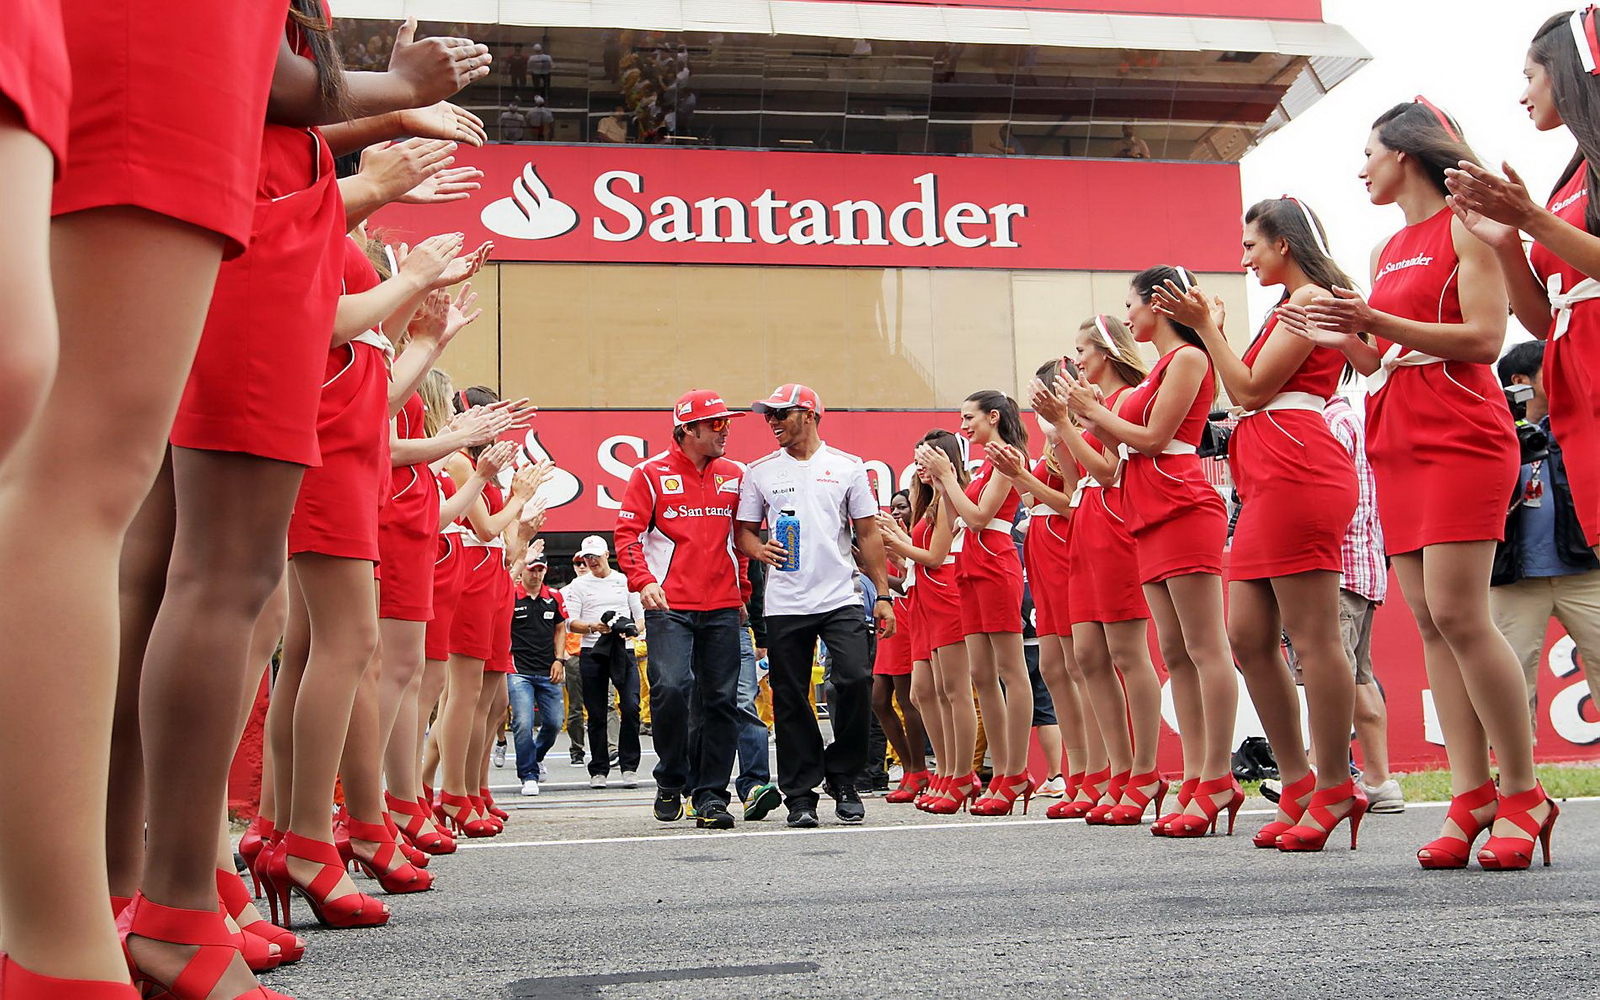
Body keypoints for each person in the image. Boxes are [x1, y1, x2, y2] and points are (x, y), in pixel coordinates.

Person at [1280, 99, 1549, 871]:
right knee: (1430, 619)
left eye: (1369, 151)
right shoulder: (1384, 248)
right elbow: (1381, 358)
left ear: (1405, 153)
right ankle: (1471, 797)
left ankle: (1523, 792)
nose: (1361, 167)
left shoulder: (1467, 224)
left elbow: (1487, 339)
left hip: (1463, 429)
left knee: (1464, 615)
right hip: (1395, 431)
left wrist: (1376, 324)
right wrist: (1348, 339)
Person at [1153, 197, 1364, 853]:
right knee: (1247, 637)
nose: (1244, 257)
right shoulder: (1291, 308)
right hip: (1267, 474)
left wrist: (1206, 328)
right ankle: (1299, 781)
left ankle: (1335, 783)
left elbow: (1245, 389)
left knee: (1314, 637)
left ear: (1284, 243)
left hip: (1301, 469)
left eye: (1251, 244)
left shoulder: (1310, 302)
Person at [1064, 266, 1242, 839]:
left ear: (1159, 305)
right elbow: (1117, 448)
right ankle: (1193, 776)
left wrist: (1094, 413)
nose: (1130, 316)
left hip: (1181, 503)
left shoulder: (1188, 360)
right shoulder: (1156, 371)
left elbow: (1152, 437)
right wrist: (1084, 413)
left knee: (1204, 647)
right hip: (1146, 509)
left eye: (1133, 305)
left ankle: (1217, 775)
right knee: (1176, 652)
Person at [736, 384, 892, 828]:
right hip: (785, 602)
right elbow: (744, 531)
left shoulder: (848, 467)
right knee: (789, 697)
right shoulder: (760, 471)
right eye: (769, 416)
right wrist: (758, 549)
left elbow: (867, 534)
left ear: (809, 414)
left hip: (840, 596)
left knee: (857, 679)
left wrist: (881, 595)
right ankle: (800, 793)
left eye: (780, 414)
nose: (772, 423)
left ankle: (843, 777)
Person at [1032, 317, 1163, 825]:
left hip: (1113, 516)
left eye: (1083, 349)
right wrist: (1057, 425)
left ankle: (1144, 770)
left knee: (1127, 653)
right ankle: (1116, 771)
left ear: (1106, 352)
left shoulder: (1122, 398)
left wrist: (1068, 421)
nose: (1077, 359)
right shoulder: (1093, 404)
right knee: (1087, 654)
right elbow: (1076, 471)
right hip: (1087, 522)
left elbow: (1109, 469)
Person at [614, 389, 751, 830]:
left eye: (727, 423)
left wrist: (744, 592)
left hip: (724, 606)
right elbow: (627, 536)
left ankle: (711, 795)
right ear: (688, 429)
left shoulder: (737, 474)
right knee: (672, 687)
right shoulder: (649, 474)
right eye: (716, 424)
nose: (725, 430)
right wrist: (644, 581)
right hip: (668, 604)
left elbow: (743, 540)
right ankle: (672, 777)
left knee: (721, 700)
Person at [917, 391, 1034, 817]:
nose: (963, 425)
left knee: (1010, 671)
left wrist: (948, 478)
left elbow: (981, 516)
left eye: (969, 417)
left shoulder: (1007, 455)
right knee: (983, 676)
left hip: (995, 559)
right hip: (971, 563)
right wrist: (942, 483)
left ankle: (1014, 770)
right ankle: (999, 772)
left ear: (993, 417)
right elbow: (960, 517)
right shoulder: (986, 463)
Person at [1491, 341, 1600, 721]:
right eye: (1554, 369)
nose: (1567, 375)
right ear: (1521, 381)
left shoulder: (1584, 422)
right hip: (1513, 577)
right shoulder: (1489, 426)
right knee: (1509, 681)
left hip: (1586, 570)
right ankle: (1517, 777)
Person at [879, 430, 975, 815]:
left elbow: (936, 557)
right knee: (922, 691)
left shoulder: (950, 497)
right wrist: (899, 544)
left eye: (926, 458)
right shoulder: (929, 501)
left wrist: (896, 541)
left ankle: (959, 773)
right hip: (923, 597)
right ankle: (947, 772)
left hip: (945, 594)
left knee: (954, 690)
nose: (918, 465)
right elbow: (921, 559)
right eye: (916, 458)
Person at [1319, 392, 1405, 814]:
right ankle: (1377, 780)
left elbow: (1327, 492)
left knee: (1330, 675)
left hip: (1337, 564)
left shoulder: (1331, 422)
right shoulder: (1347, 418)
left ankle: (1328, 777)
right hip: (1360, 566)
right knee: (1356, 678)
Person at [563, 534, 646, 789]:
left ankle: (629, 765)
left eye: (595, 556)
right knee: (596, 712)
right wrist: (593, 627)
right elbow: (570, 622)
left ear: (606, 555)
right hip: (592, 650)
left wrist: (630, 629)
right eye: (587, 557)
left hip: (624, 649)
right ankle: (598, 768)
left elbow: (642, 617)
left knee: (631, 706)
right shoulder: (578, 585)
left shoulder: (623, 580)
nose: (591, 561)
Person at [875, 490, 930, 802]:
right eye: (892, 508)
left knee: (907, 697)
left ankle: (917, 769)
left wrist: (874, 571)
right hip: (890, 616)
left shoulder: (912, 541)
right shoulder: (892, 541)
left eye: (902, 507)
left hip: (908, 616)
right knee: (878, 698)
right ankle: (911, 767)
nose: (896, 513)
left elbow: (909, 581)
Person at [509, 550, 568, 796]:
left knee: (554, 722)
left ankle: (535, 756)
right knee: (522, 722)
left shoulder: (553, 597)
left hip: (548, 669)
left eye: (540, 569)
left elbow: (561, 628)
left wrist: (559, 660)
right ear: (523, 569)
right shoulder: (511, 595)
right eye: (532, 569)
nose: (536, 574)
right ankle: (528, 775)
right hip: (517, 669)